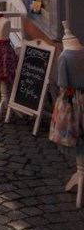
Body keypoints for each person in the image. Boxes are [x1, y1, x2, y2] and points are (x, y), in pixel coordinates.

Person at [49, 22, 84, 208]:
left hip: (71, 104)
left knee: (75, 135)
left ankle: (81, 172)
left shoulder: (63, 57)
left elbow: (63, 84)